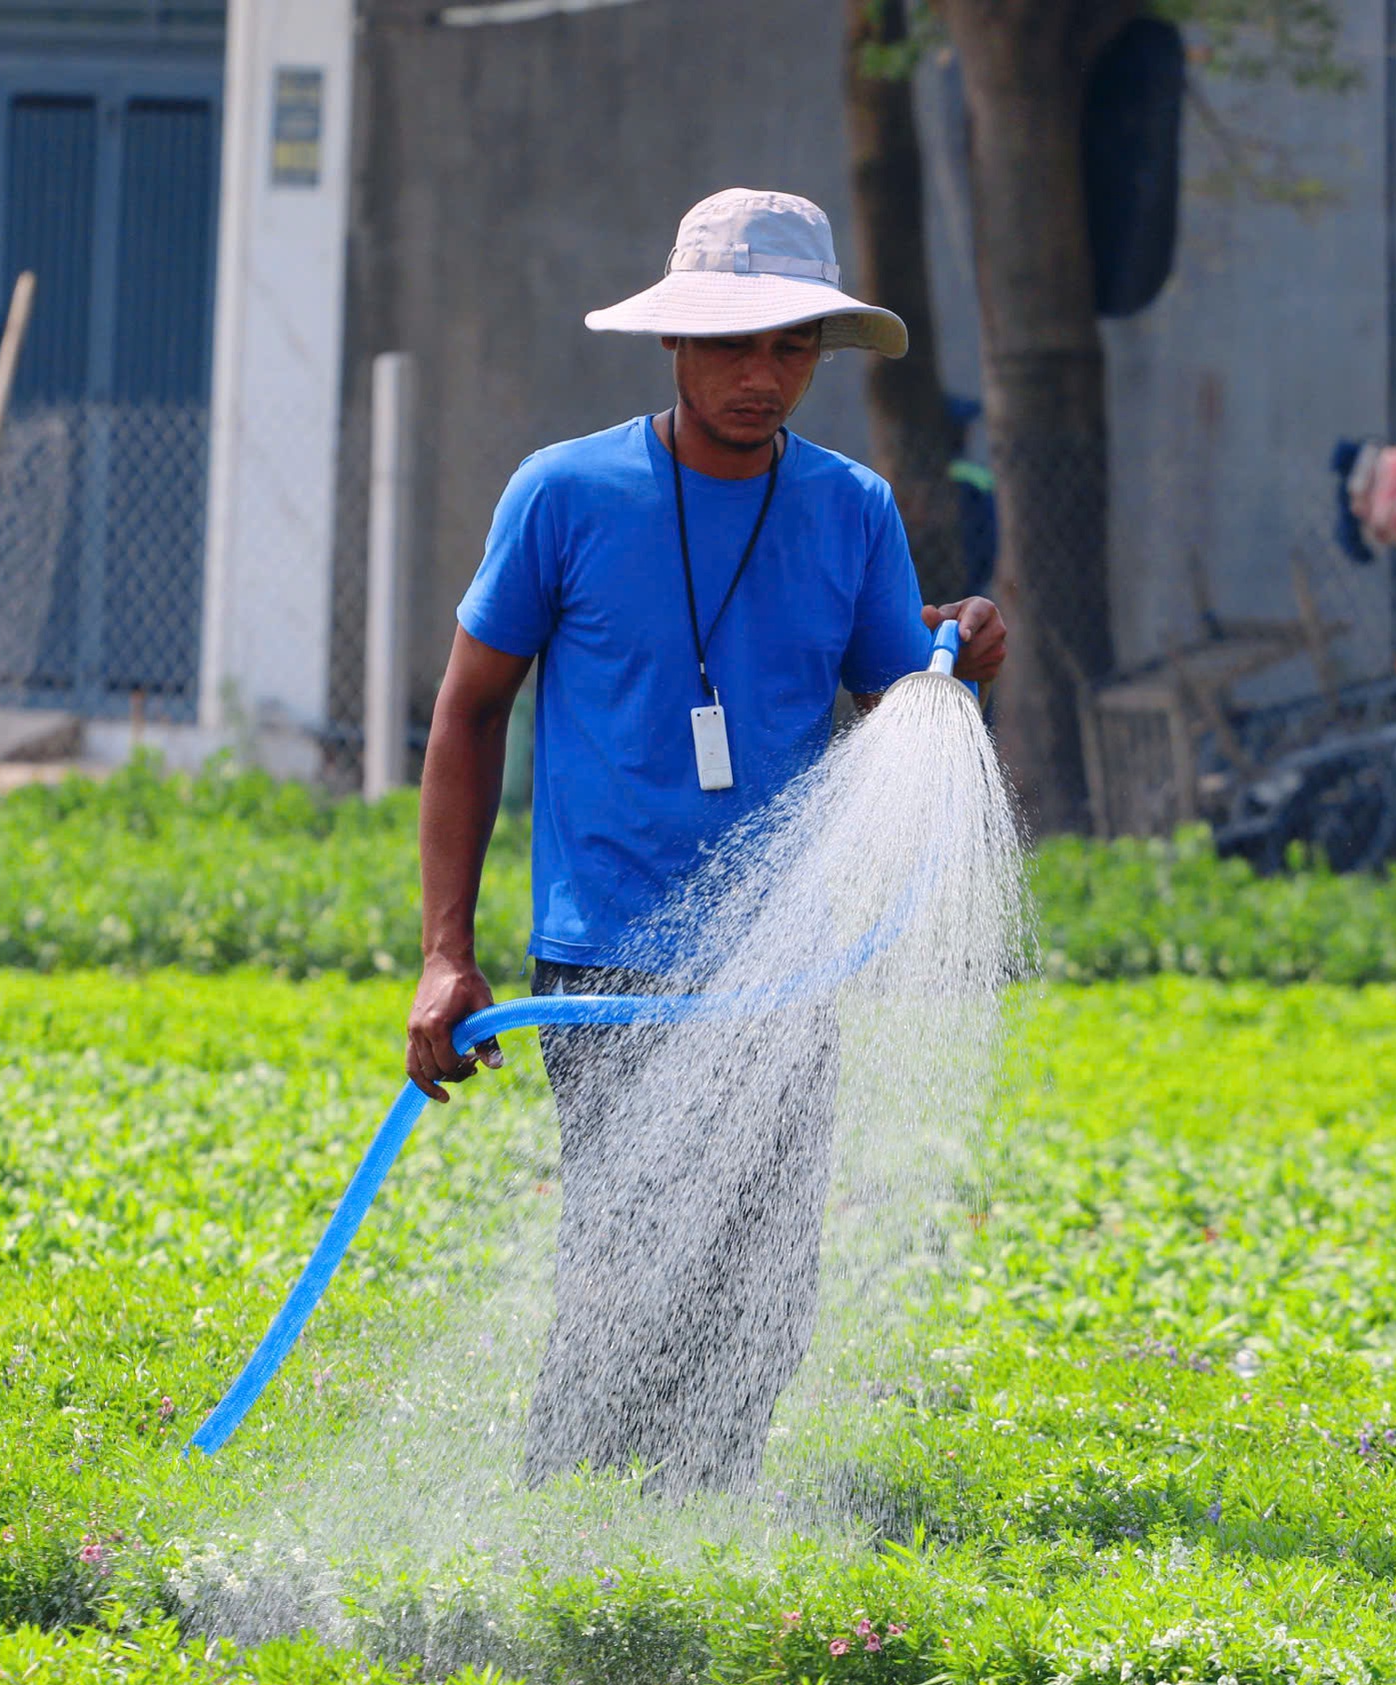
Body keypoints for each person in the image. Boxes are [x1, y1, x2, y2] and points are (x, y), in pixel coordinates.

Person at [404, 188, 1007, 1493]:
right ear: (673, 344)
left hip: (777, 973)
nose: (762, 374)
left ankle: (685, 1538)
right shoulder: (564, 496)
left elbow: (904, 711)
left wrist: (961, 662)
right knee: (630, 1273)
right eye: (735, 344)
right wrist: (444, 953)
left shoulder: (850, 513)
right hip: (608, 964)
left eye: (792, 346)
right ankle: (559, 1535)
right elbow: (466, 716)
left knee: (767, 1289)